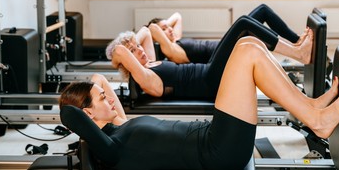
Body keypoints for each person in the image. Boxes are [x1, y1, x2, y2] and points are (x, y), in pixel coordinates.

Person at [59, 36, 339, 170]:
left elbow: (98, 78)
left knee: (250, 42)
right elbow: (69, 114)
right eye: (102, 99)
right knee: (246, 52)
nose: (110, 97)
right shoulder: (109, 149)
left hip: (213, 135)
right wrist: (77, 105)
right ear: (86, 114)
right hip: (217, 152)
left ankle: (311, 106)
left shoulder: (117, 123)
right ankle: (316, 120)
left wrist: (92, 90)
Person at [106, 16, 313, 99]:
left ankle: (297, 47)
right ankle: (298, 52)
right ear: (127, 63)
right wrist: (124, 48)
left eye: (137, 47)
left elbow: (146, 31)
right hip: (209, 81)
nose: (139, 49)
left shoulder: (150, 61)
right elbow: (118, 53)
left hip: (209, 71)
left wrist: (131, 40)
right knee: (243, 25)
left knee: (252, 19)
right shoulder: (145, 78)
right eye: (134, 51)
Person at [147, 4, 309, 64]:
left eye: (169, 27)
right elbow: (152, 30)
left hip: (223, 47)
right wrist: (154, 30)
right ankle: (298, 51)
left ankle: (297, 43)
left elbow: (177, 15)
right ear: (157, 37)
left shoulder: (176, 41)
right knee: (255, 17)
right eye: (164, 29)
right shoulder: (170, 50)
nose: (170, 29)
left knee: (261, 12)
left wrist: (165, 26)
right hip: (218, 57)